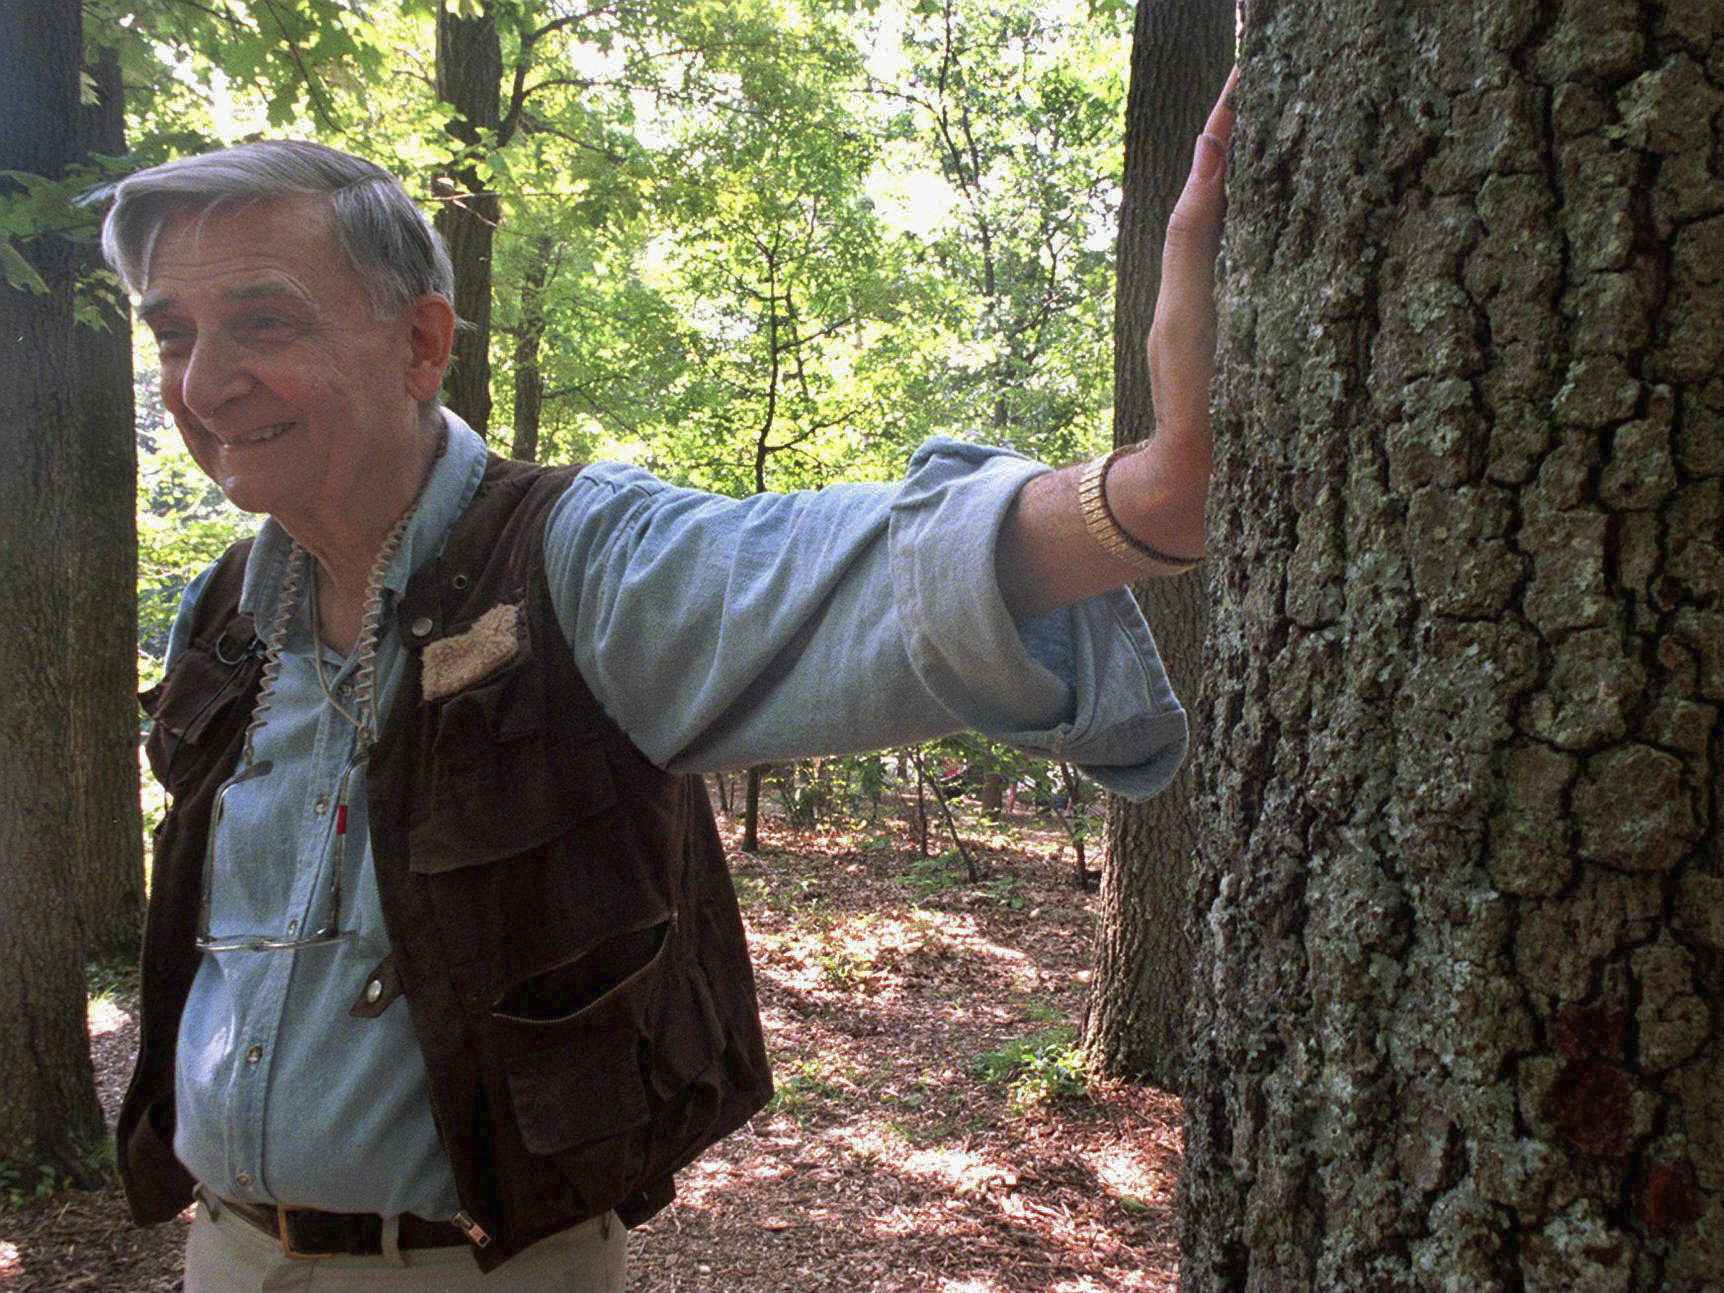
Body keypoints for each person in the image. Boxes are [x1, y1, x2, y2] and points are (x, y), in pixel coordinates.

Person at [104, 72, 1236, 1291]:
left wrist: (1152, 498)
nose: (201, 382)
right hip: (219, 1256)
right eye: (173, 334)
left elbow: (830, 569)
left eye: (264, 324)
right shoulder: (223, 608)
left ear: (421, 341)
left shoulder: (571, 558)